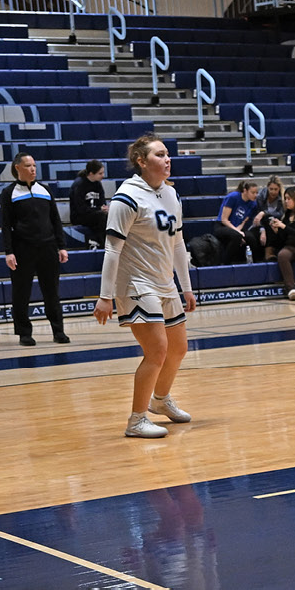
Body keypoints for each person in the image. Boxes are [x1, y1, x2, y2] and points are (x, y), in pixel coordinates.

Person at [96, 133, 197, 440]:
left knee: (178, 349)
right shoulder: (126, 197)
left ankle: (160, 400)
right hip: (136, 282)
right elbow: (112, 250)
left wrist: (187, 287)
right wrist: (105, 297)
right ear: (141, 161)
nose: (168, 159)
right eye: (160, 154)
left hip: (165, 282)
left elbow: (178, 242)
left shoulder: (171, 194)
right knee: (157, 350)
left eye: (168, 154)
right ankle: (136, 419)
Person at [0, 153, 70, 347]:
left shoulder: (45, 190)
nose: (32, 169)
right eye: (28, 166)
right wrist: (9, 252)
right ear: (17, 168)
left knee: (52, 293)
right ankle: (24, 333)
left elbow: (55, 220)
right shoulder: (9, 193)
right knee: (21, 293)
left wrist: (61, 246)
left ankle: (58, 331)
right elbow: (6, 225)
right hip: (23, 249)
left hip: (48, 248)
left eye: (34, 166)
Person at [212, 177, 260, 263]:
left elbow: (243, 221)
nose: (255, 195)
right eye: (253, 193)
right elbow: (224, 219)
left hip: (238, 228)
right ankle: (225, 263)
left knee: (251, 237)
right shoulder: (233, 197)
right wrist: (237, 232)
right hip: (222, 226)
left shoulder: (253, 204)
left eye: (257, 193)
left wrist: (238, 231)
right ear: (245, 191)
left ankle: (257, 263)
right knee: (237, 237)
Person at [68, 158, 108, 246]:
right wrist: (98, 209)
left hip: (94, 214)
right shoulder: (79, 185)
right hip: (79, 216)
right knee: (101, 217)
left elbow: (102, 201)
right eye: (100, 173)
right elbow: (80, 208)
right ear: (91, 173)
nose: (103, 175)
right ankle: (103, 244)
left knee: (108, 215)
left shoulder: (98, 184)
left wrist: (104, 208)